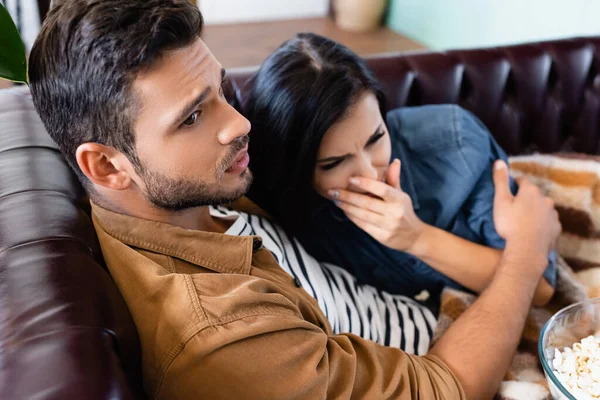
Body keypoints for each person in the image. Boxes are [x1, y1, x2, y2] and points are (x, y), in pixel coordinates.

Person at [28, 1, 561, 399]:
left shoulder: (194, 193)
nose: (238, 124)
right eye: (192, 117)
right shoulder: (223, 334)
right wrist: (526, 251)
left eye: (219, 91)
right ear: (106, 166)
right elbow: (447, 386)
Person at [245, 33, 556, 310]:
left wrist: (416, 237)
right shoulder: (281, 210)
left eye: (376, 138)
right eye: (333, 163)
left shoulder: (455, 143)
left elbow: (539, 288)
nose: (369, 173)